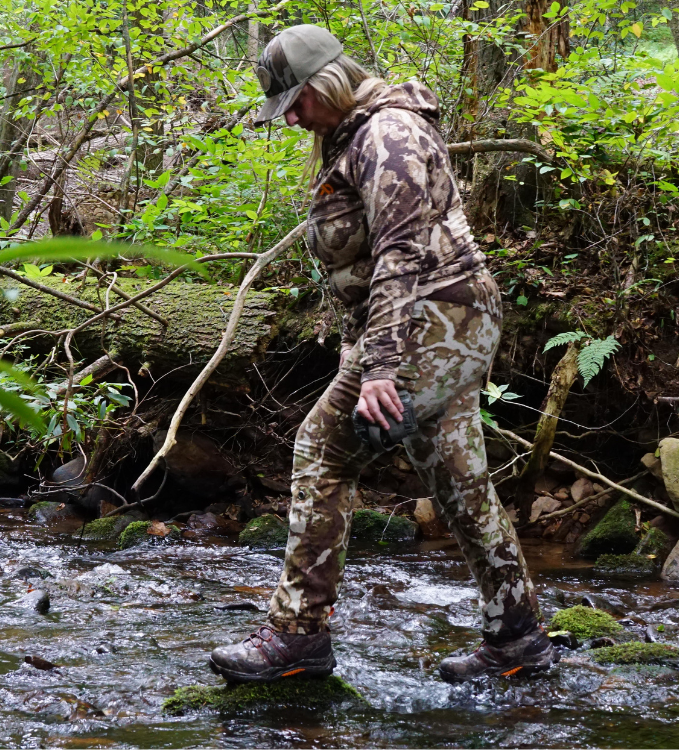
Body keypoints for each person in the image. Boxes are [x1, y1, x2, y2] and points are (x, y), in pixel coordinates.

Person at [209, 24, 554, 684]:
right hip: (438, 319)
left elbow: (401, 254)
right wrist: (355, 354)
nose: (293, 121)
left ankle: (298, 635)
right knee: (456, 478)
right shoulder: (350, 137)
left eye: (296, 104)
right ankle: (517, 638)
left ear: (325, 85)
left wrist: (382, 368)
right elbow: (360, 274)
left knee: (323, 448)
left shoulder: (387, 135)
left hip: (435, 315)